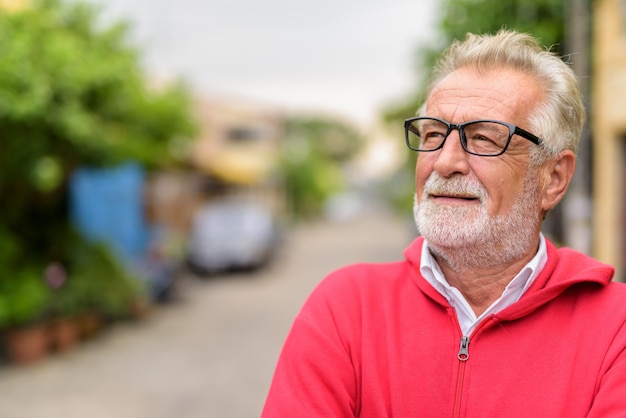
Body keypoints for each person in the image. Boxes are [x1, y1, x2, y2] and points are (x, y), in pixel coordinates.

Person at [261, 30, 626, 417]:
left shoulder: (615, 329)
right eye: (434, 134)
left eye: (484, 138)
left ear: (553, 178)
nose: (445, 161)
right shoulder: (347, 308)